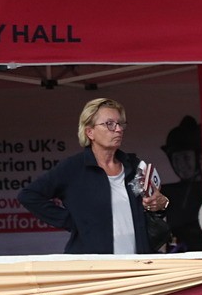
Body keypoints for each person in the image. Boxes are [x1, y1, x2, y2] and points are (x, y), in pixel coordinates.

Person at [19, 98, 171, 254]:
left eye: (120, 124)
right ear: (89, 132)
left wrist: (161, 204)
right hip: (94, 265)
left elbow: (150, 210)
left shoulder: (134, 165)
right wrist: (73, 222)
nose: (118, 129)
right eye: (109, 124)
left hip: (136, 263)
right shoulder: (74, 168)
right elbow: (29, 195)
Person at [160, 115, 202, 252]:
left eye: (186, 158)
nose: (182, 165)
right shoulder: (167, 193)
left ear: (199, 157)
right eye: (176, 159)